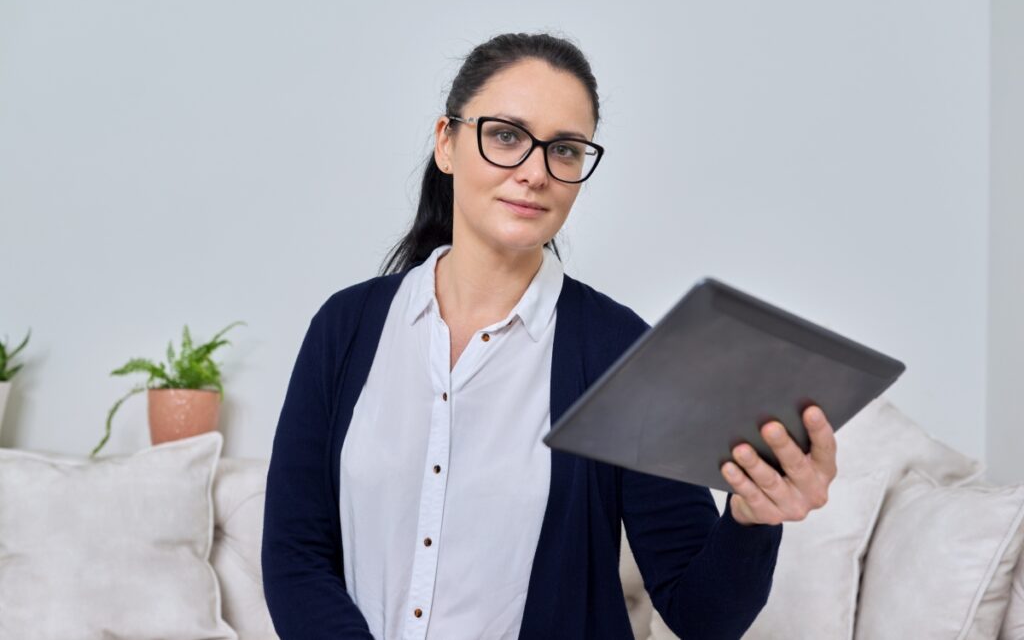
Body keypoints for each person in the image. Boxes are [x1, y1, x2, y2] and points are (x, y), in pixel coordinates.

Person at [261, 31, 838, 640]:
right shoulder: (345, 328)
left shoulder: (621, 354)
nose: (535, 172)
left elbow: (702, 616)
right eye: (506, 136)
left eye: (564, 150)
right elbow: (295, 556)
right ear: (446, 143)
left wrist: (752, 520)